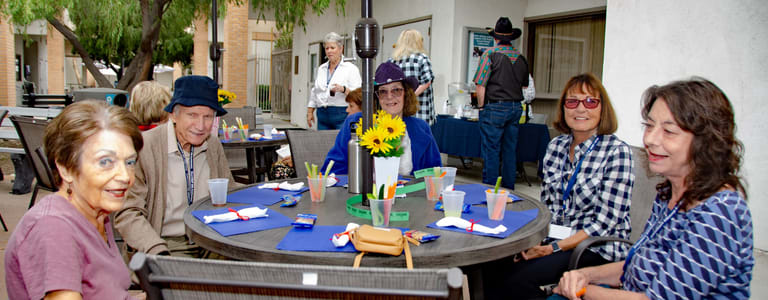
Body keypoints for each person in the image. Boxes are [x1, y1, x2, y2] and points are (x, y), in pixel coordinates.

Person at [553, 78, 753, 299]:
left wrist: (582, 289)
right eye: (649, 126)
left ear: (706, 142)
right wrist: (583, 274)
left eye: (669, 131)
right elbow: (636, 264)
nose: (650, 139)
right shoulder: (669, 194)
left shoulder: (720, 212)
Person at [483, 73, 634, 299]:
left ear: (603, 109)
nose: (580, 109)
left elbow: (604, 225)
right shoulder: (556, 146)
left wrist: (552, 248)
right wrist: (532, 242)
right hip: (555, 240)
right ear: (563, 108)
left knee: (516, 280)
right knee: (492, 266)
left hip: (595, 248)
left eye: (590, 101)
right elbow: (548, 209)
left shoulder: (617, 152)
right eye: (572, 102)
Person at [5, 101, 143, 299]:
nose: (125, 176)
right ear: (66, 168)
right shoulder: (54, 228)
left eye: (130, 162)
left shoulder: (96, 213)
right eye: (105, 162)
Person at [114, 75, 236, 257]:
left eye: (208, 116)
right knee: (202, 283)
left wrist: (269, 192)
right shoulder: (145, 148)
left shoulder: (212, 145)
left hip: (212, 238)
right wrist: (155, 249)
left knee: (255, 274)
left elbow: (230, 190)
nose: (201, 126)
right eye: (192, 115)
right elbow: (128, 212)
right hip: (166, 243)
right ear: (173, 114)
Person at [322, 61, 442, 175]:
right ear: (377, 97)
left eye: (396, 90)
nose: (389, 97)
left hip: (411, 195)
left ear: (406, 93)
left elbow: (435, 173)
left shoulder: (421, 127)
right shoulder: (356, 123)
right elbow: (332, 170)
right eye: (383, 91)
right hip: (365, 195)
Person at [472, 17, 529, 189]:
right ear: (511, 38)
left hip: (494, 107)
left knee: (491, 150)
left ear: (495, 38)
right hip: (515, 107)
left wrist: (481, 107)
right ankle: (509, 189)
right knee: (510, 151)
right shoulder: (521, 57)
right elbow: (525, 86)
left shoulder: (489, 54)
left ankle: (490, 190)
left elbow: (480, 84)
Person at [307, 32, 362, 130]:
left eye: (332, 48)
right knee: (324, 144)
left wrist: (343, 89)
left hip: (341, 113)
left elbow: (358, 96)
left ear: (341, 49)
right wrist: (310, 112)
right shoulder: (321, 69)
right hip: (322, 114)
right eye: (327, 48)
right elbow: (315, 92)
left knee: (341, 143)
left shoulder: (351, 68)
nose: (329, 51)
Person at [390, 29, 436, 125]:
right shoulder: (422, 58)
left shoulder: (393, 61)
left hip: (398, 112)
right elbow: (427, 82)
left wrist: (402, 99)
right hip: (421, 112)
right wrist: (410, 97)